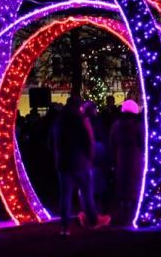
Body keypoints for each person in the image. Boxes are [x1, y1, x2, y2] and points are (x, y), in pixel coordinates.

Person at [50, 96, 110, 236]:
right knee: (87, 194)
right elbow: (89, 140)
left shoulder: (58, 121)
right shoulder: (82, 119)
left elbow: (50, 141)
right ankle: (94, 221)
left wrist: (58, 155)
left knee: (65, 196)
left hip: (63, 163)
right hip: (81, 162)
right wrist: (89, 158)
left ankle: (65, 228)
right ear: (79, 106)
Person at [109, 100, 144, 226]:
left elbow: (112, 143)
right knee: (134, 184)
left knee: (123, 185)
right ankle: (132, 214)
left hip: (121, 157)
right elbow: (143, 142)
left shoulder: (116, 125)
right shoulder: (138, 126)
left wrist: (113, 159)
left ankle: (124, 213)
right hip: (135, 157)